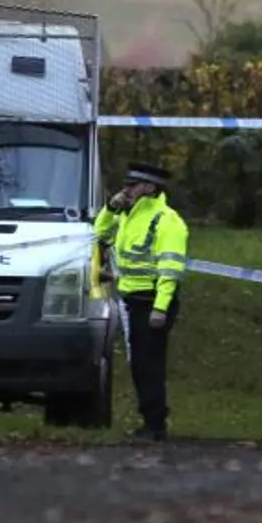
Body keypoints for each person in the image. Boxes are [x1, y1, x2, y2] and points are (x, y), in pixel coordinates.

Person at [94, 161, 190, 441]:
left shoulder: (167, 220)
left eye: (132, 185)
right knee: (139, 364)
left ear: (149, 187)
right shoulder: (128, 214)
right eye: (126, 185)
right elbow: (99, 233)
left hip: (153, 302)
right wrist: (111, 208)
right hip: (133, 300)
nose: (126, 190)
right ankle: (150, 420)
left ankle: (156, 424)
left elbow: (169, 269)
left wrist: (160, 308)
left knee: (149, 365)